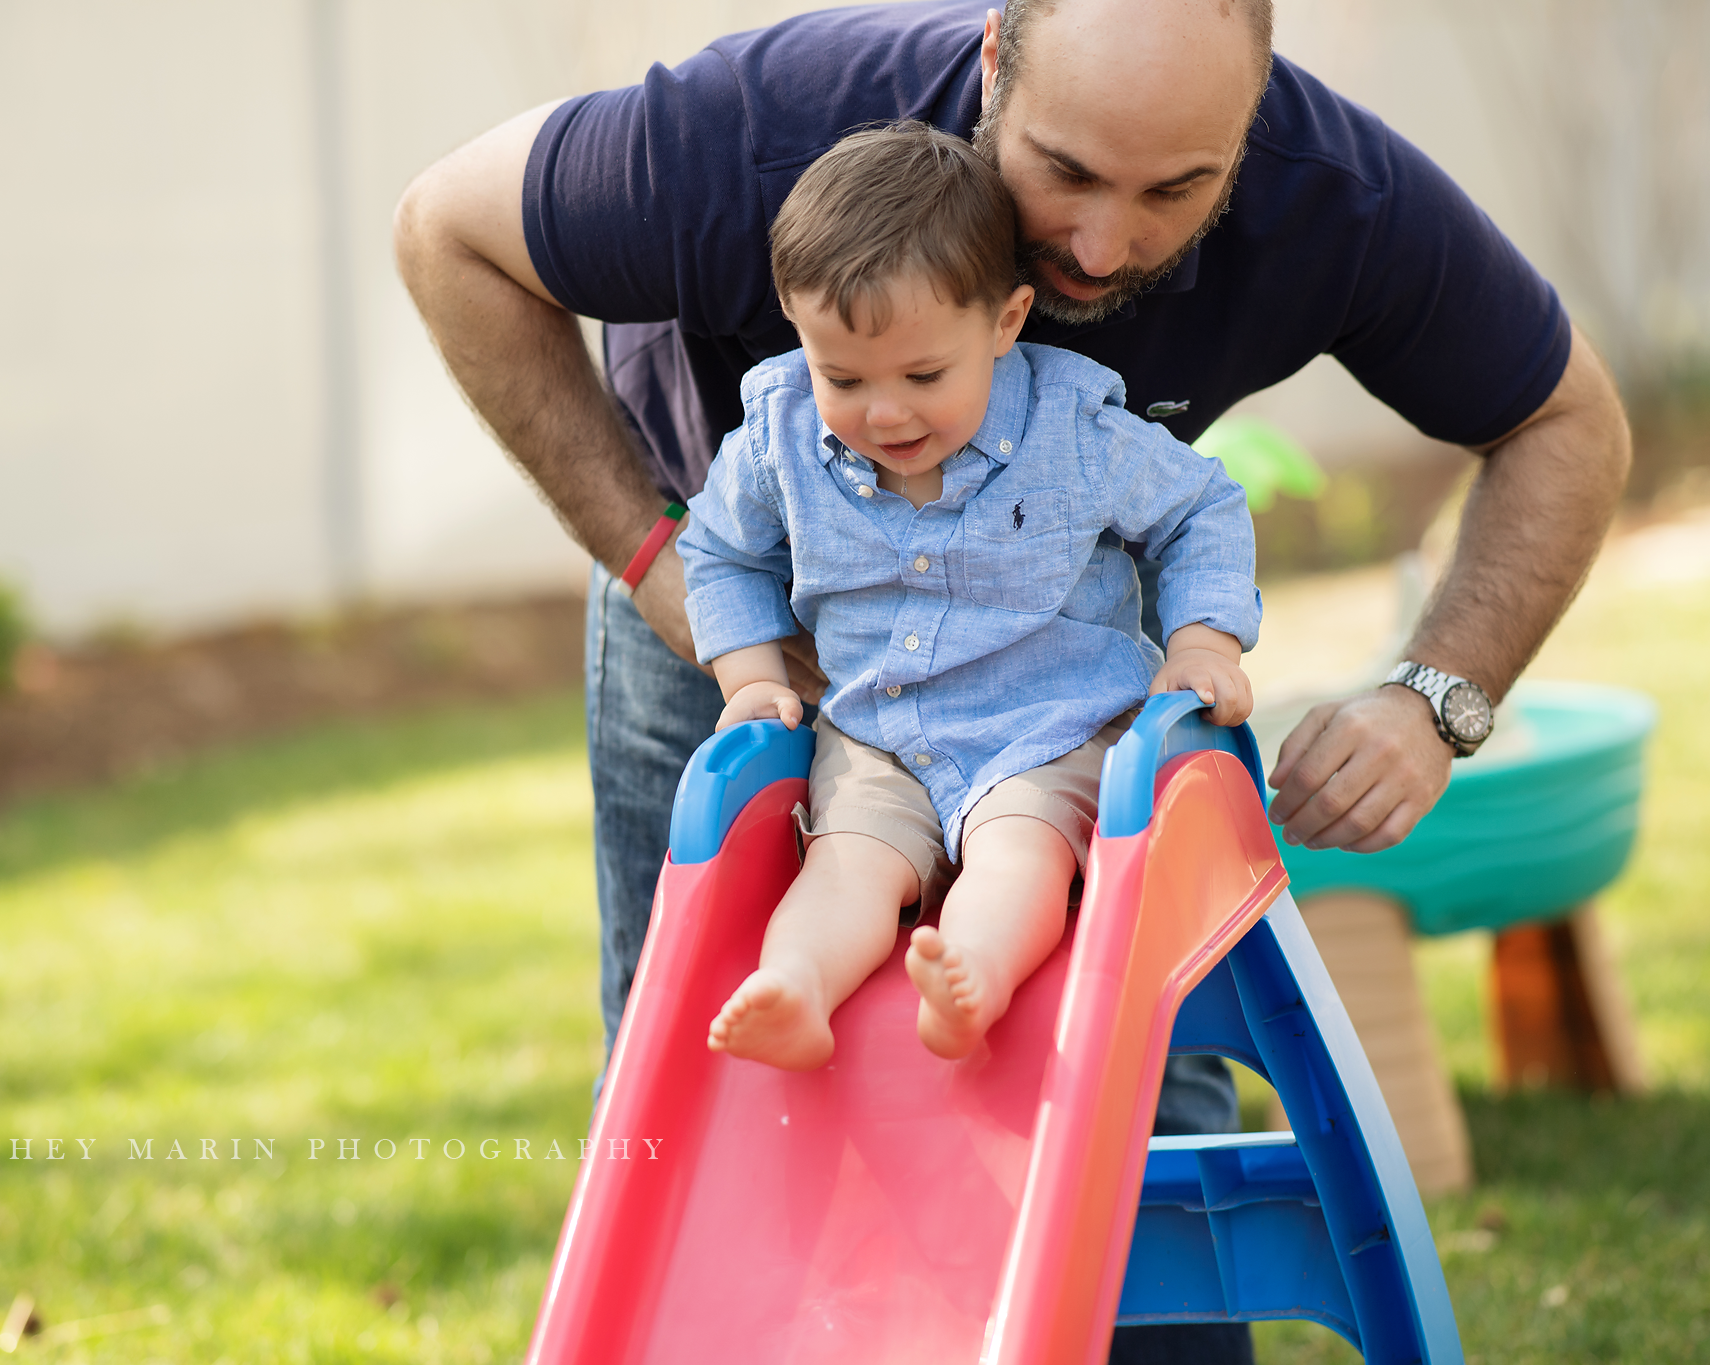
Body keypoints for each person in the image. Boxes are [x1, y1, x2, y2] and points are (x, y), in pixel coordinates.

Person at [394, 1, 1631, 1356]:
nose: (1107, 245)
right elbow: (446, 234)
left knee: (1120, 1075)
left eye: (1178, 189)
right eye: (1070, 173)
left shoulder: (1335, 198)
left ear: (1253, 118)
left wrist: (1432, 696)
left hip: (1062, 660)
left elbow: (1565, 421)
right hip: (741, 611)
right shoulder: (753, 139)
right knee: (713, 1082)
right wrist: (667, 575)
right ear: (994, 66)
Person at [682, 124, 1259, 1071]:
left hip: (1049, 727)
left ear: (1005, 321)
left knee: (1018, 846)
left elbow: (1199, 507)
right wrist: (748, 677)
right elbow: (719, 547)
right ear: (797, 326)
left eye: (923, 375)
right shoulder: (777, 438)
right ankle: (795, 988)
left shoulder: (1074, 431)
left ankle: (975, 976)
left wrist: (1203, 643)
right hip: (879, 733)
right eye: (843, 377)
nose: (886, 412)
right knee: (846, 861)